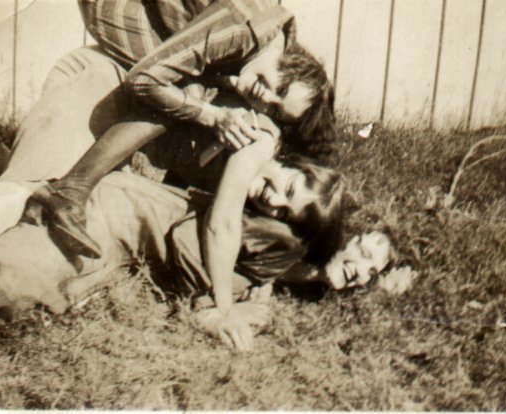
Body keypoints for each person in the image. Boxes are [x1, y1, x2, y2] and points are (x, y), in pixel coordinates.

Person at [25, 0, 338, 260]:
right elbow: (145, 81)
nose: (264, 99)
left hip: (153, 19)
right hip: (114, 5)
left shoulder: (277, 40)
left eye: (274, 109)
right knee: (182, 90)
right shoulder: (242, 28)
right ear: (291, 61)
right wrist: (213, 117)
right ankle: (70, 190)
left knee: (191, 90)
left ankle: (68, 190)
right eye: (280, 89)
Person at [0, 171, 395, 350]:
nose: (361, 271)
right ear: (342, 236)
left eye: (371, 271)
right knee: (10, 281)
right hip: (117, 214)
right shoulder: (289, 236)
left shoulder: (306, 279)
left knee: (33, 304)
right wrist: (216, 306)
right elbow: (189, 241)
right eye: (363, 251)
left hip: (125, 252)